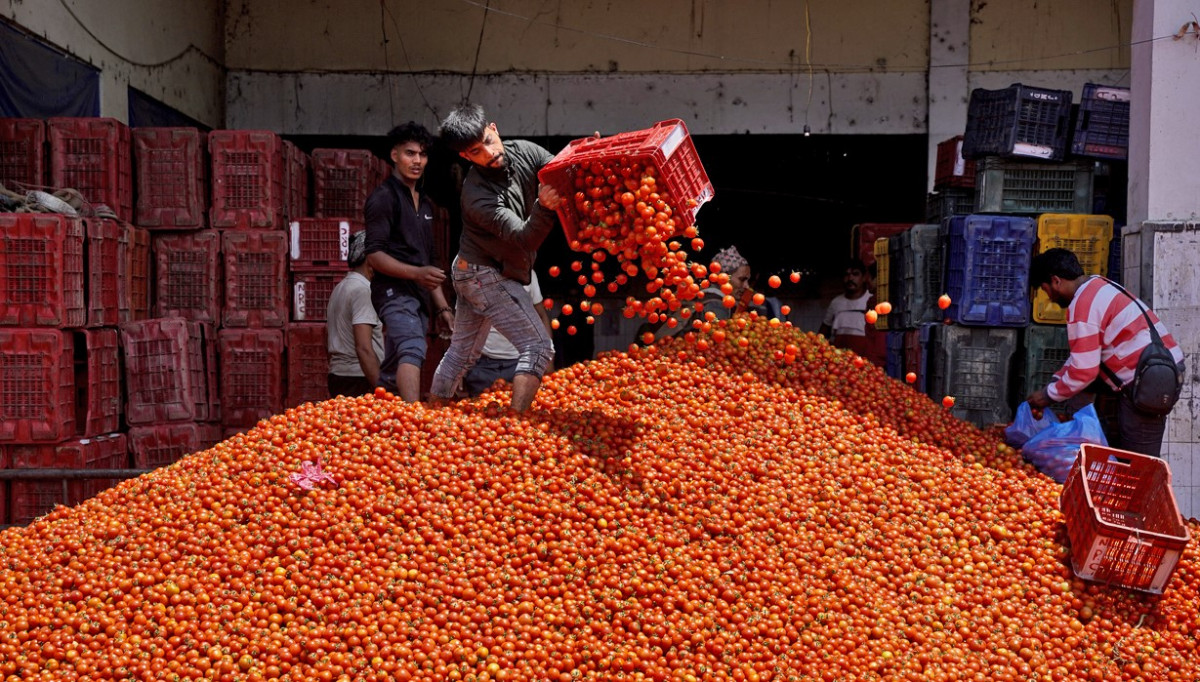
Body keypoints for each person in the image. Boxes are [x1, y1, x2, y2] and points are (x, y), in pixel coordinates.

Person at [428, 103, 560, 412]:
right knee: (539, 346)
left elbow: (558, 169)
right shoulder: (477, 196)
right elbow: (523, 238)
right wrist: (544, 207)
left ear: (494, 129)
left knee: (462, 352)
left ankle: (432, 414)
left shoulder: (525, 152)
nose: (488, 153)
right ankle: (517, 425)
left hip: (468, 269)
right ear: (465, 157)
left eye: (488, 142)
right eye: (475, 152)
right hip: (482, 273)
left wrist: (585, 160)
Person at [1026, 248, 1185, 457]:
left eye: (1046, 290)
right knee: (1127, 449)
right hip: (1154, 369)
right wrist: (1057, 382)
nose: (1050, 298)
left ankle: (1140, 487)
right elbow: (1082, 357)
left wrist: (1048, 395)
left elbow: (1084, 371)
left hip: (1151, 378)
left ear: (1056, 281)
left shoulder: (1083, 306)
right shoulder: (1097, 285)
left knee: (1138, 461)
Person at [364, 122, 454, 401]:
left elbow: (432, 264)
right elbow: (374, 255)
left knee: (394, 370)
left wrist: (442, 309)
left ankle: (386, 416)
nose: (417, 161)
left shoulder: (425, 204)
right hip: (393, 292)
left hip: (419, 296)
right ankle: (412, 422)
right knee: (412, 345)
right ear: (394, 155)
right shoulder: (383, 198)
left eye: (422, 155)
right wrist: (417, 273)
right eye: (410, 153)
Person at [462, 271, 554, 397]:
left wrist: (548, 360)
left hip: (522, 363)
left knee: (521, 413)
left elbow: (541, 316)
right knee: (480, 411)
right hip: (482, 366)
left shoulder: (528, 274)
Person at [325, 231, 385, 397]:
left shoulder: (340, 288)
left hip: (338, 375)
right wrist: (382, 392)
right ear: (369, 259)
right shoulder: (363, 291)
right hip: (358, 378)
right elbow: (364, 348)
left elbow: (328, 339)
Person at [819, 258, 885, 366]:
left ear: (864, 278)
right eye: (846, 275)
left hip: (866, 361)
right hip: (839, 362)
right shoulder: (836, 303)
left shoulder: (871, 301)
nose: (850, 278)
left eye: (855, 274)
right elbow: (823, 333)